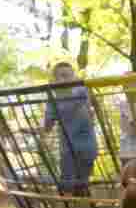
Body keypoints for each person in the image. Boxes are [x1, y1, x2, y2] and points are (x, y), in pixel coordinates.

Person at [43, 62, 100, 196]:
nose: (67, 78)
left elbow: (93, 105)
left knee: (82, 184)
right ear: (55, 79)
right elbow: (48, 126)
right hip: (68, 148)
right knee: (67, 184)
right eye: (62, 76)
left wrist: (93, 116)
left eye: (70, 75)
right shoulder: (53, 98)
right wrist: (35, 130)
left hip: (87, 146)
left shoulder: (81, 89)